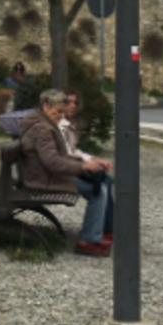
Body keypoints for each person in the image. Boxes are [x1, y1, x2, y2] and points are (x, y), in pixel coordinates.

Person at [17, 88, 113, 257]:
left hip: (41, 175)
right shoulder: (43, 129)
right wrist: (82, 167)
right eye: (58, 111)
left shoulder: (41, 122)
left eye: (63, 112)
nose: (62, 115)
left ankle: (98, 233)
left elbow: (58, 157)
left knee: (100, 182)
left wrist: (85, 163)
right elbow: (52, 162)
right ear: (46, 106)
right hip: (44, 179)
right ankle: (88, 241)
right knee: (98, 191)